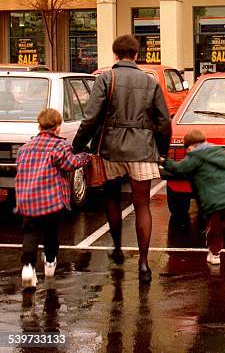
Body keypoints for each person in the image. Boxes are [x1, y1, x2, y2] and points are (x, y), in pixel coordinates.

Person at [72, 34, 171, 283]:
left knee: (112, 200)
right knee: (142, 205)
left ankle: (117, 249)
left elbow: (91, 118)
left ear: (115, 55)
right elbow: (164, 122)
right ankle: (144, 263)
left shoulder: (107, 78)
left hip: (111, 149)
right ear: (136, 55)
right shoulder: (150, 82)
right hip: (142, 149)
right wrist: (162, 150)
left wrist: (77, 146)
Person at [16, 108, 92, 289]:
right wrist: (85, 157)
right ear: (58, 127)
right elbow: (70, 164)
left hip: (27, 199)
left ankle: (28, 268)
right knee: (50, 234)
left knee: (30, 233)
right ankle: (49, 263)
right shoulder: (59, 147)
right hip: (50, 201)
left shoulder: (24, 148)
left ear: (39, 126)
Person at [161, 129, 225, 271]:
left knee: (214, 228)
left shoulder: (195, 156)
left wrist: (164, 161)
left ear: (190, 146)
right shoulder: (221, 152)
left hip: (213, 201)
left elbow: (180, 168)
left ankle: (215, 255)